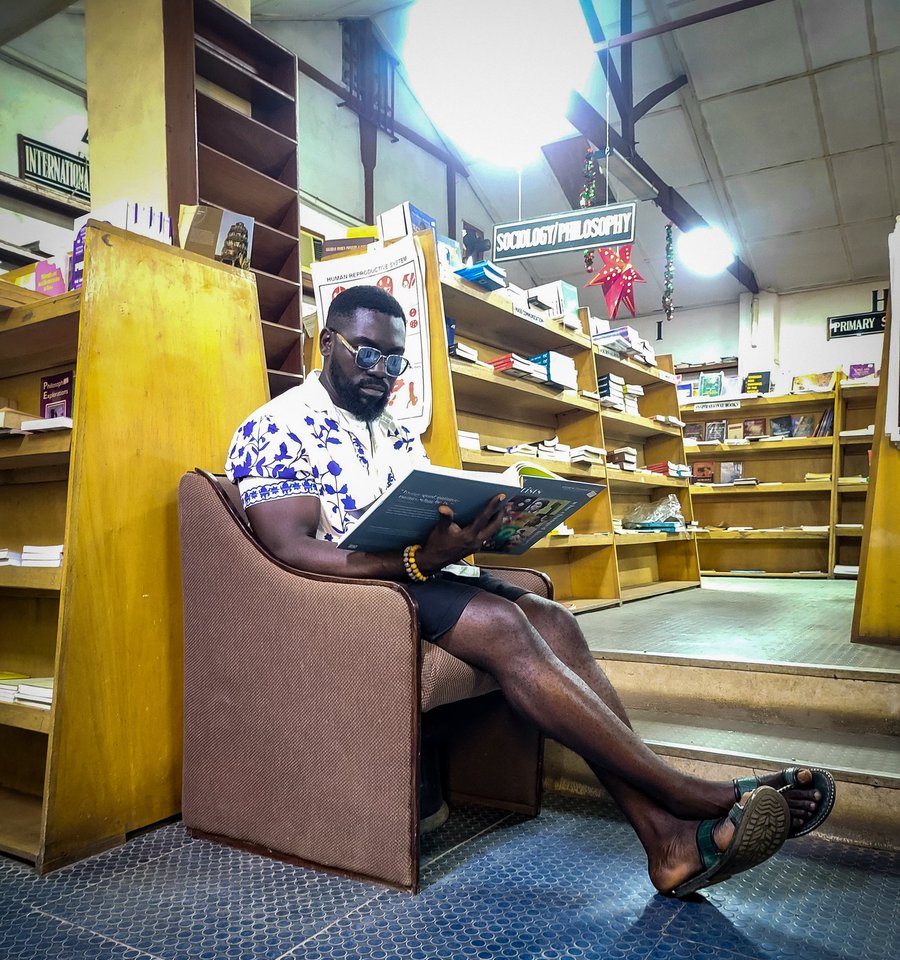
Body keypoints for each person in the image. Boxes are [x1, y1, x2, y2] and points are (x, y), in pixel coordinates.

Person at [226, 285, 834, 898]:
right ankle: (684, 794)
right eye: (365, 353)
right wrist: (415, 557)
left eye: (394, 361)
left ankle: (666, 843)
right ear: (326, 342)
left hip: (423, 572)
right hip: (353, 595)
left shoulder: (394, 429)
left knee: (555, 621)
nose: (380, 373)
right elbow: (293, 550)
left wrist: (476, 526)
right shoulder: (277, 426)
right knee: (503, 625)